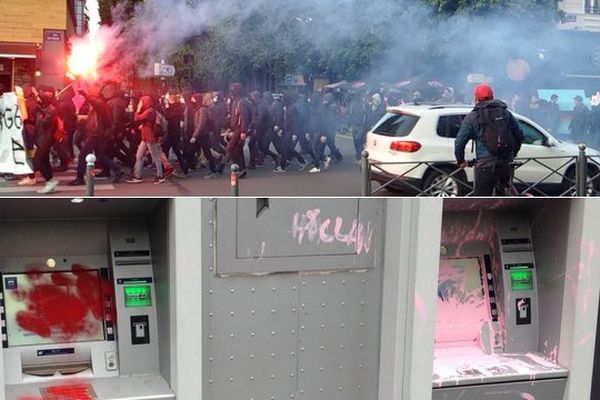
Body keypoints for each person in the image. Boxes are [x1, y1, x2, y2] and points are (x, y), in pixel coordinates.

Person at [454, 84, 524, 196]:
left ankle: (483, 214)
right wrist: (513, 154)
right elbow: (519, 135)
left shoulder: (472, 117)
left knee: (482, 200)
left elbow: (459, 143)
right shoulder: (506, 113)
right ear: (492, 96)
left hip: (485, 165)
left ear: (476, 98)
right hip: (506, 163)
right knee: (504, 198)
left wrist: (460, 160)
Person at [68, 84, 124, 186]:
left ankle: (80, 178)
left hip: (95, 134)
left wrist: (85, 94)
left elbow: (95, 104)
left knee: (82, 156)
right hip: (96, 133)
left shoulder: (100, 104)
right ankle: (117, 169)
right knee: (100, 155)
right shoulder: (99, 104)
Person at [126, 94, 164, 184]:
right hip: (145, 137)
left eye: (141, 101)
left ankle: (160, 176)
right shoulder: (149, 110)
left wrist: (138, 109)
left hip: (150, 137)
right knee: (139, 156)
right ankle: (137, 175)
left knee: (155, 157)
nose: (140, 103)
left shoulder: (149, 111)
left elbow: (137, 118)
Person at [225, 82, 252, 178]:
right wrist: (229, 128)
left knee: (230, 148)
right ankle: (242, 169)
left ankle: (240, 168)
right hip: (236, 129)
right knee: (237, 149)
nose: (231, 92)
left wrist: (243, 131)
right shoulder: (236, 101)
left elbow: (244, 117)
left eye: (233, 90)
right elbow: (233, 116)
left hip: (239, 129)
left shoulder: (241, 102)